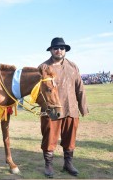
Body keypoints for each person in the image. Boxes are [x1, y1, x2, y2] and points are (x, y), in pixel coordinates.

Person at [38, 37, 89, 178]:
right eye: (56, 48)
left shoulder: (73, 66)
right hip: (52, 110)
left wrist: (83, 107)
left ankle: (68, 163)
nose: (59, 50)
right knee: (49, 139)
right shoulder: (43, 67)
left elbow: (80, 88)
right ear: (51, 50)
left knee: (70, 139)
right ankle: (48, 165)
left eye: (62, 48)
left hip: (71, 108)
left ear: (65, 50)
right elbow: (37, 91)